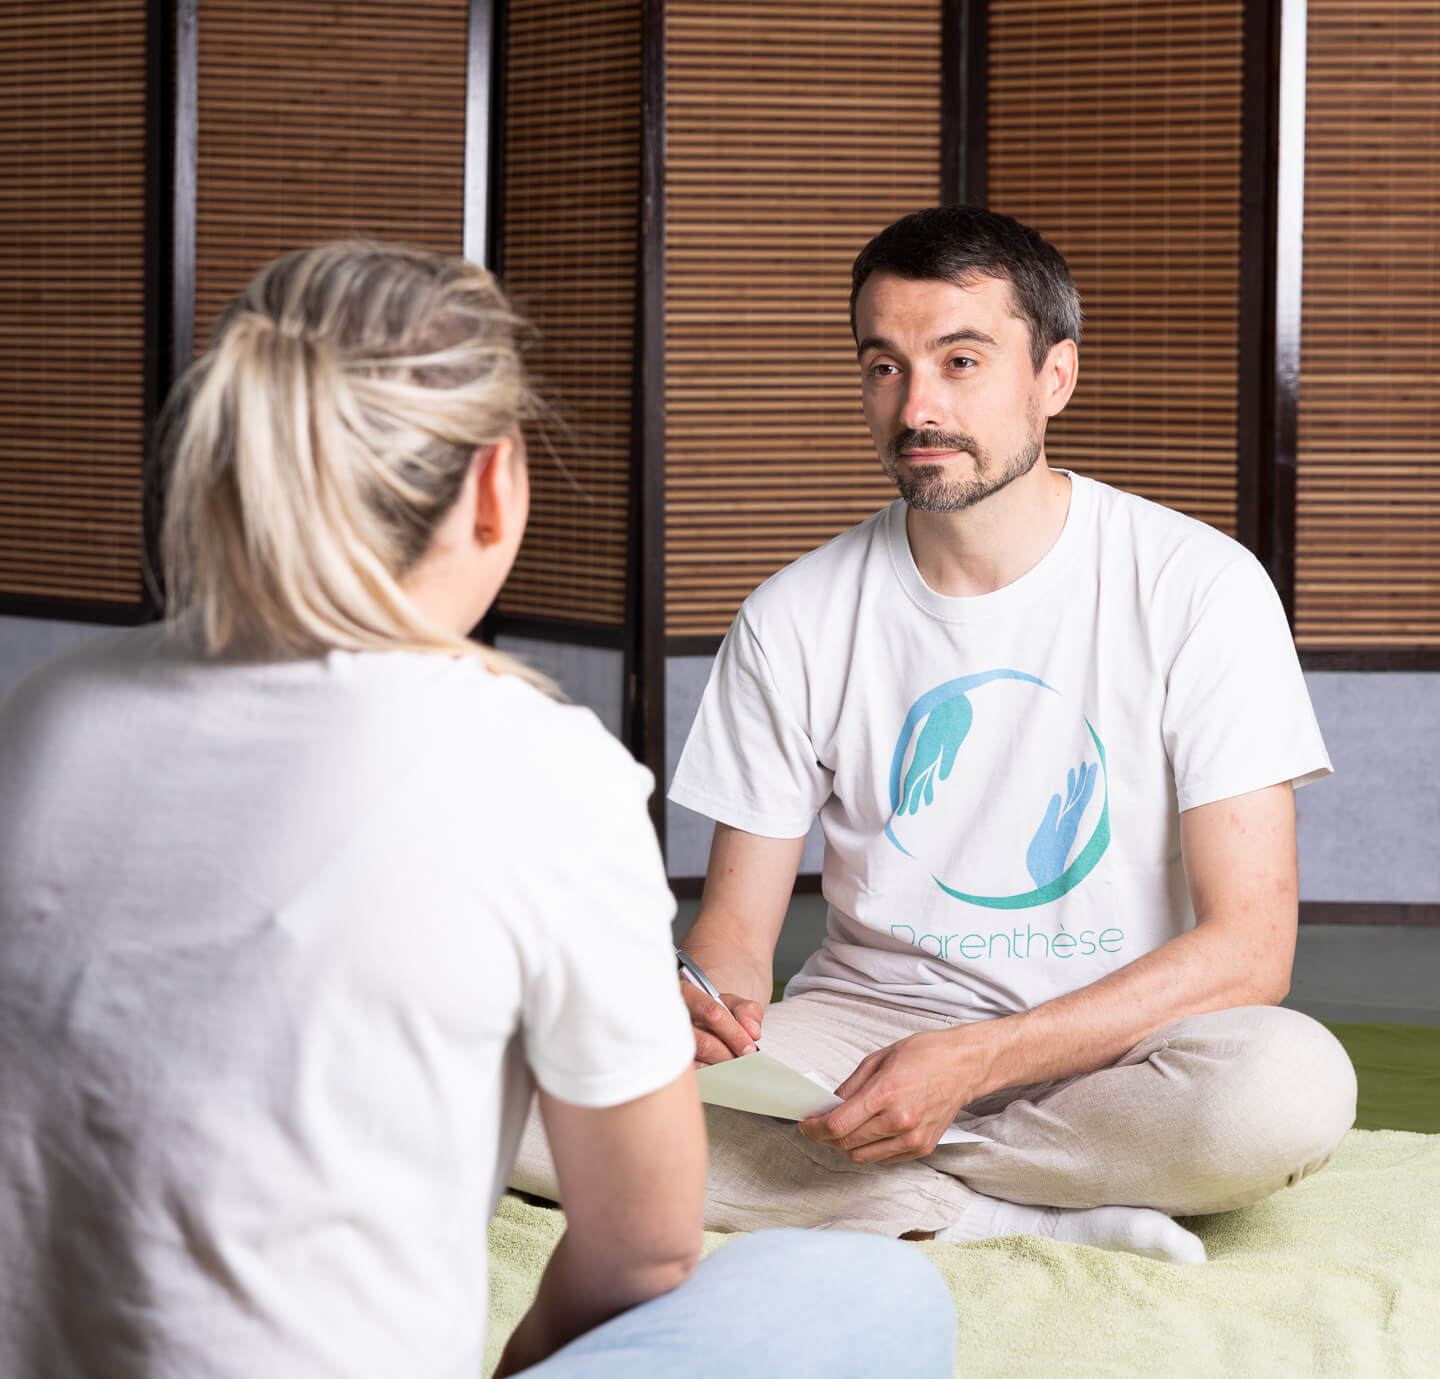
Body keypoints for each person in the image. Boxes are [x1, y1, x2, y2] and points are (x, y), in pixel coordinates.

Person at [0, 242, 957, 1378]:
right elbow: (642, 1254)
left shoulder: (49, 712)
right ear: (495, 484)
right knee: (876, 1288)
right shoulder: (538, 764)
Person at [512, 205, 1358, 1264]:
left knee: (1288, 1088)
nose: (918, 407)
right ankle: (1004, 1209)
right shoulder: (794, 613)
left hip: (1120, 1043)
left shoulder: (1199, 588)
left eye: (962, 361)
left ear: (1055, 375)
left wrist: (975, 1060)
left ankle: (862, 1182)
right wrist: (710, 1011)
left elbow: (1249, 948)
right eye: (884, 366)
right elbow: (736, 931)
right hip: (866, 1031)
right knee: (524, 1081)